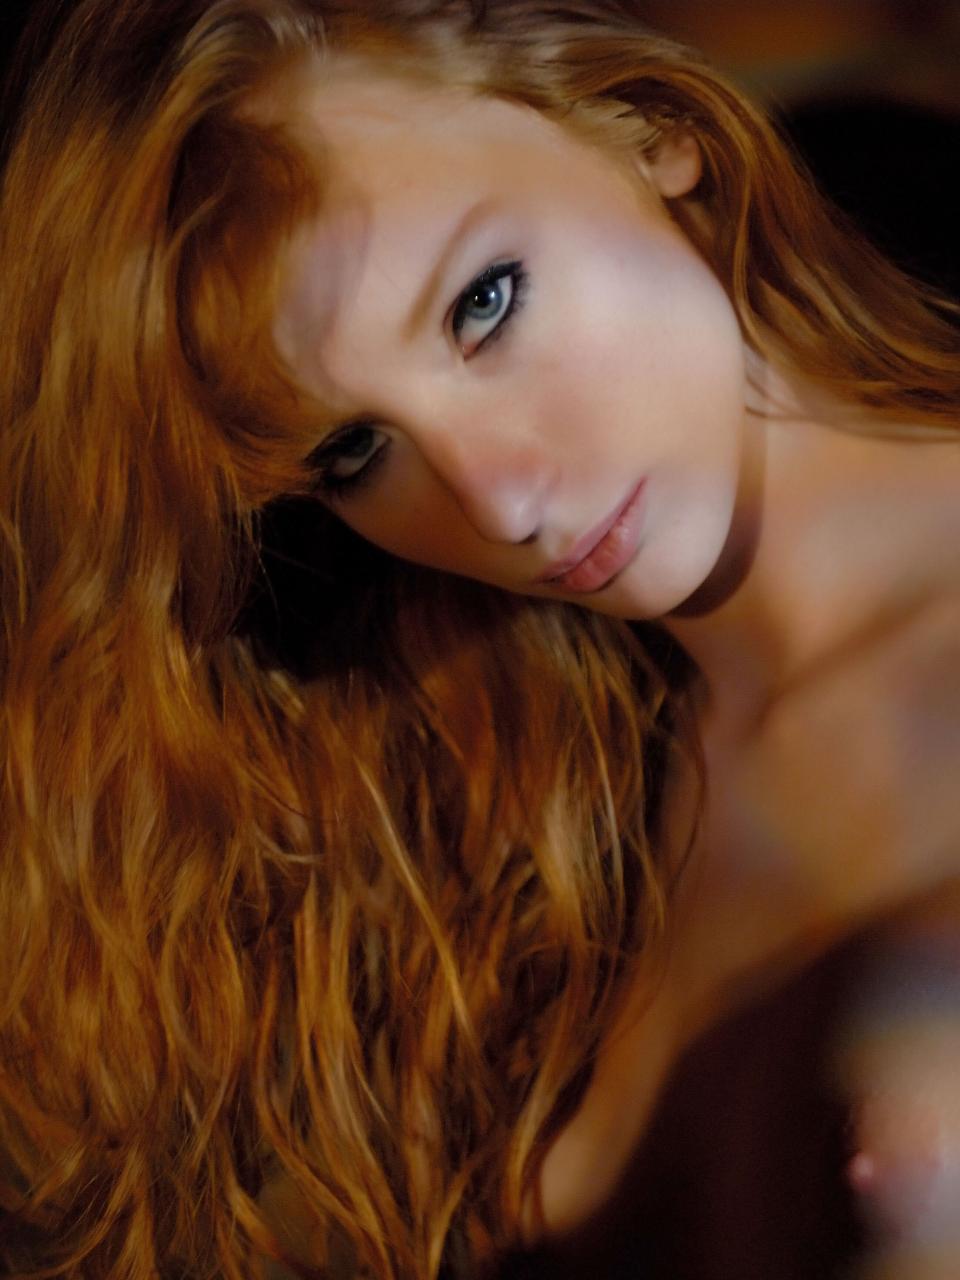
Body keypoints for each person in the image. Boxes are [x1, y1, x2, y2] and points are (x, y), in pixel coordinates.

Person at [1, 2, 958, 1278]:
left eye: (485, 305)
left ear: (644, 127)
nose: (500, 502)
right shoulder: (511, 811)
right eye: (356, 450)